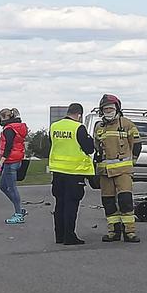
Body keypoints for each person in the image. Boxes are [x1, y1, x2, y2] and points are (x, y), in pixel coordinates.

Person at [93, 94, 142, 243]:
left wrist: (131, 163)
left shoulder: (127, 124)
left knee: (125, 201)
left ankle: (130, 232)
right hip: (105, 172)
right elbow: (96, 148)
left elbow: (137, 145)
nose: (108, 111)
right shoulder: (99, 127)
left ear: (117, 109)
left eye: (110, 108)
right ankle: (113, 231)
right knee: (108, 202)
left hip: (123, 172)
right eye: (105, 109)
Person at [48, 103, 95, 245]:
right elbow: (89, 148)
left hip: (57, 171)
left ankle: (59, 235)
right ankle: (69, 236)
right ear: (79, 115)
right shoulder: (78, 128)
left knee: (59, 204)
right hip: (74, 172)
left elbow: (52, 144)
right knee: (71, 205)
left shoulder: (54, 127)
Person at [0, 108, 28, 224]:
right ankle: (19, 209)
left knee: (12, 188)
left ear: (6, 118)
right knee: (3, 187)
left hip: (10, 162)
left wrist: (1, 162)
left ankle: (19, 213)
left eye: (1, 118)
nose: (0, 120)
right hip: (16, 159)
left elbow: (8, 146)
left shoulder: (9, 129)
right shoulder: (17, 127)